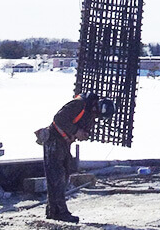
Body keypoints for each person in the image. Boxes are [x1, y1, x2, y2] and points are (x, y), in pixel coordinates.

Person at [43, 93, 115, 222]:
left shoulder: (89, 111)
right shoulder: (79, 104)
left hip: (63, 143)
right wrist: (76, 131)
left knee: (62, 176)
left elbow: (81, 125)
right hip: (54, 140)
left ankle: (53, 211)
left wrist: (82, 133)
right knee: (57, 176)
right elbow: (59, 119)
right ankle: (59, 213)